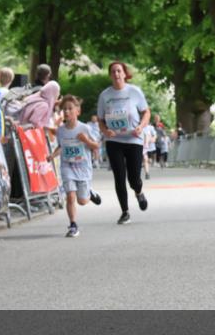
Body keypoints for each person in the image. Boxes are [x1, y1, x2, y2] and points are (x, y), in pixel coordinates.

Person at [97, 61, 151, 225]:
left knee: (133, 178)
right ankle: (125, 211)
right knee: (119, 176)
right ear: (110, 75)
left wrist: (141, 127)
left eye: (119, 71)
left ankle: (139, 191)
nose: (116, 74)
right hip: (114, 140)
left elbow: (146, 112)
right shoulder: (105, 95)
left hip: (134, 139)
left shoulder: (134, 91)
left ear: (125, 73)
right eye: (113, 71)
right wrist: (106, 131)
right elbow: (100, 120)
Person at [53, 96, 102, 237]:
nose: (67, 112)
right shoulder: (61, 130)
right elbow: (61, 146)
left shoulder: (85, 128)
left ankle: (89, 193)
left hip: (83, 168)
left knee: (82, 201)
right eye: (64, 109)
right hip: (67, 167)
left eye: (70, 109)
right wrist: (52, 155)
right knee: (70, 196)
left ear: (77, 111)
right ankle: (73, 225)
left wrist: (85, 140)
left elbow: (96, 146)